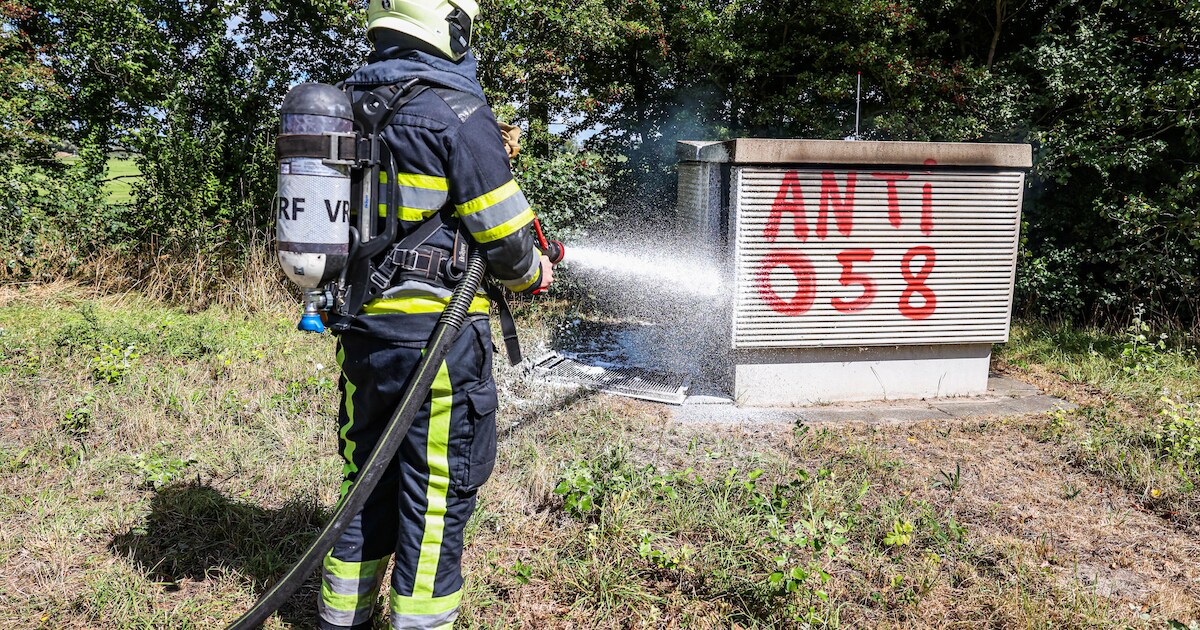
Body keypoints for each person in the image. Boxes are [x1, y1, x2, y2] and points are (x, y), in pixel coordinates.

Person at [318, 2, 553, 628]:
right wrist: (535, 272)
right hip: (438, 343)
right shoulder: (456, 113)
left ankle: (340, 617)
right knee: (437, 493)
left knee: (366, 479)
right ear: (451, 27)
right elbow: (505, 241)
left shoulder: (344, 107)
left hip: (361, 332)